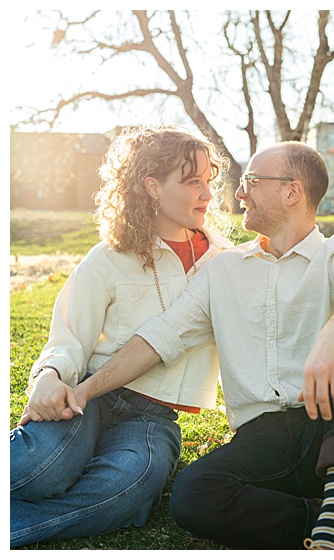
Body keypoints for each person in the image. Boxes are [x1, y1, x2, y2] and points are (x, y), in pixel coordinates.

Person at [47, 141, 334, 550]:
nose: (238, 193)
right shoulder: (221, 269)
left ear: (292, 192)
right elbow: (161, 336)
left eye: (252, 181)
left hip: (330, 421)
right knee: (192, 496)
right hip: (262, 436)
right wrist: (83, 390)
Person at [10, 126, 235, 546]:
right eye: (192, 182)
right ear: (152, 186)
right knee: (38, 467)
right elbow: (68, 336)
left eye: (209, 180)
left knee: (129, 489)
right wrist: (47, 378)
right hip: (88, 396)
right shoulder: (109, 256)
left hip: (154, 419)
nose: (207, 193)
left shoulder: (225, 263)